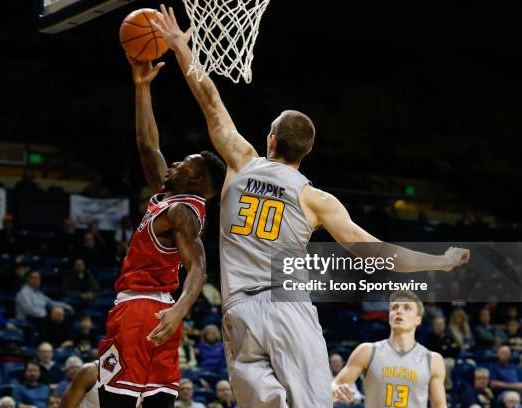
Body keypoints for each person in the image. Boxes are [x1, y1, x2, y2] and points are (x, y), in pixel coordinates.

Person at [150, 6, 470, 408]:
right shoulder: (316, 200)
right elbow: (380, 255)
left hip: (240, 311)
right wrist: (440, 261)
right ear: (309, 151)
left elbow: (210, 100)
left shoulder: (241, 160)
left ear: (270, 139)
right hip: (289, 309)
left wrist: (181, 47)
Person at [96, 53, 225, 408]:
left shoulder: (181, 212)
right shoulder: (170, 198)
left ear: (195, 178)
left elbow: (199, 266)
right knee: (157, 400)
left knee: (116, 399)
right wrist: (142, 87)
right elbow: (147, 147)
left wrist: (181, 309)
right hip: (160, 311)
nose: (174, 163)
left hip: (139, 310)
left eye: (183, 163)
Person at [332, 291, 447, 407]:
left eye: (407, 308)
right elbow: (333, 387)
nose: (399, 311)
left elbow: (439, 405)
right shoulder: (367, 351)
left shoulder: (433, 360)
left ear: (418, 319)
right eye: (394, 308)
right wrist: (336, 390)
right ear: (389, 317)